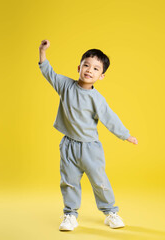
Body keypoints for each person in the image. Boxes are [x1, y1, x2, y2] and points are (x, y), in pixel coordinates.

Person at [38, 39, 138, 231]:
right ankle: (70, 215)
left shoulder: (97, 99)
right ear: (79, 67)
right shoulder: (65, 86)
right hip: (69, 146)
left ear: (101, 76)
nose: (89, 70)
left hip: (90, 148)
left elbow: (110, 118)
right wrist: (42, 51)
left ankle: (111, 212)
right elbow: (48, 73)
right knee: (69, 182)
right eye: (86, 65)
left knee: (99, 181)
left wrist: (125, 135)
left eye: (95, 69)